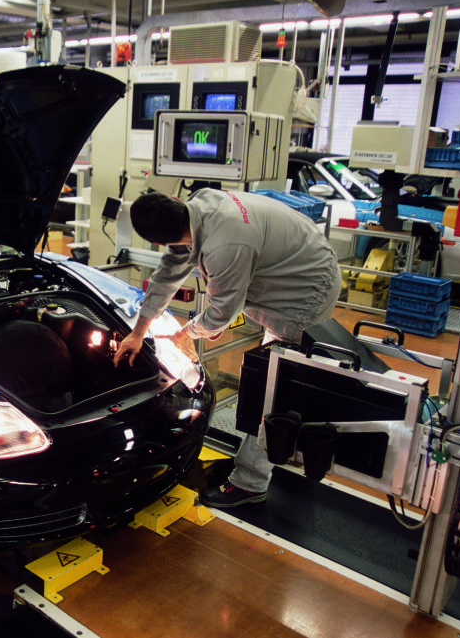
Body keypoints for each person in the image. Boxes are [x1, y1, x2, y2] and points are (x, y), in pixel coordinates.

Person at [112, 189, 341, 509]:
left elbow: (222, 313)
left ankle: (250, 482)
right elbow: (167, 275)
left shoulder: (227, 245)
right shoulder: (199, 204)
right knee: (278, 383)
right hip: (297, 264)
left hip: (305, 292)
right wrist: (138, 332)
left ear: (160, 240)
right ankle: (280, 451)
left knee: (272, 390)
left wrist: (186, 333)